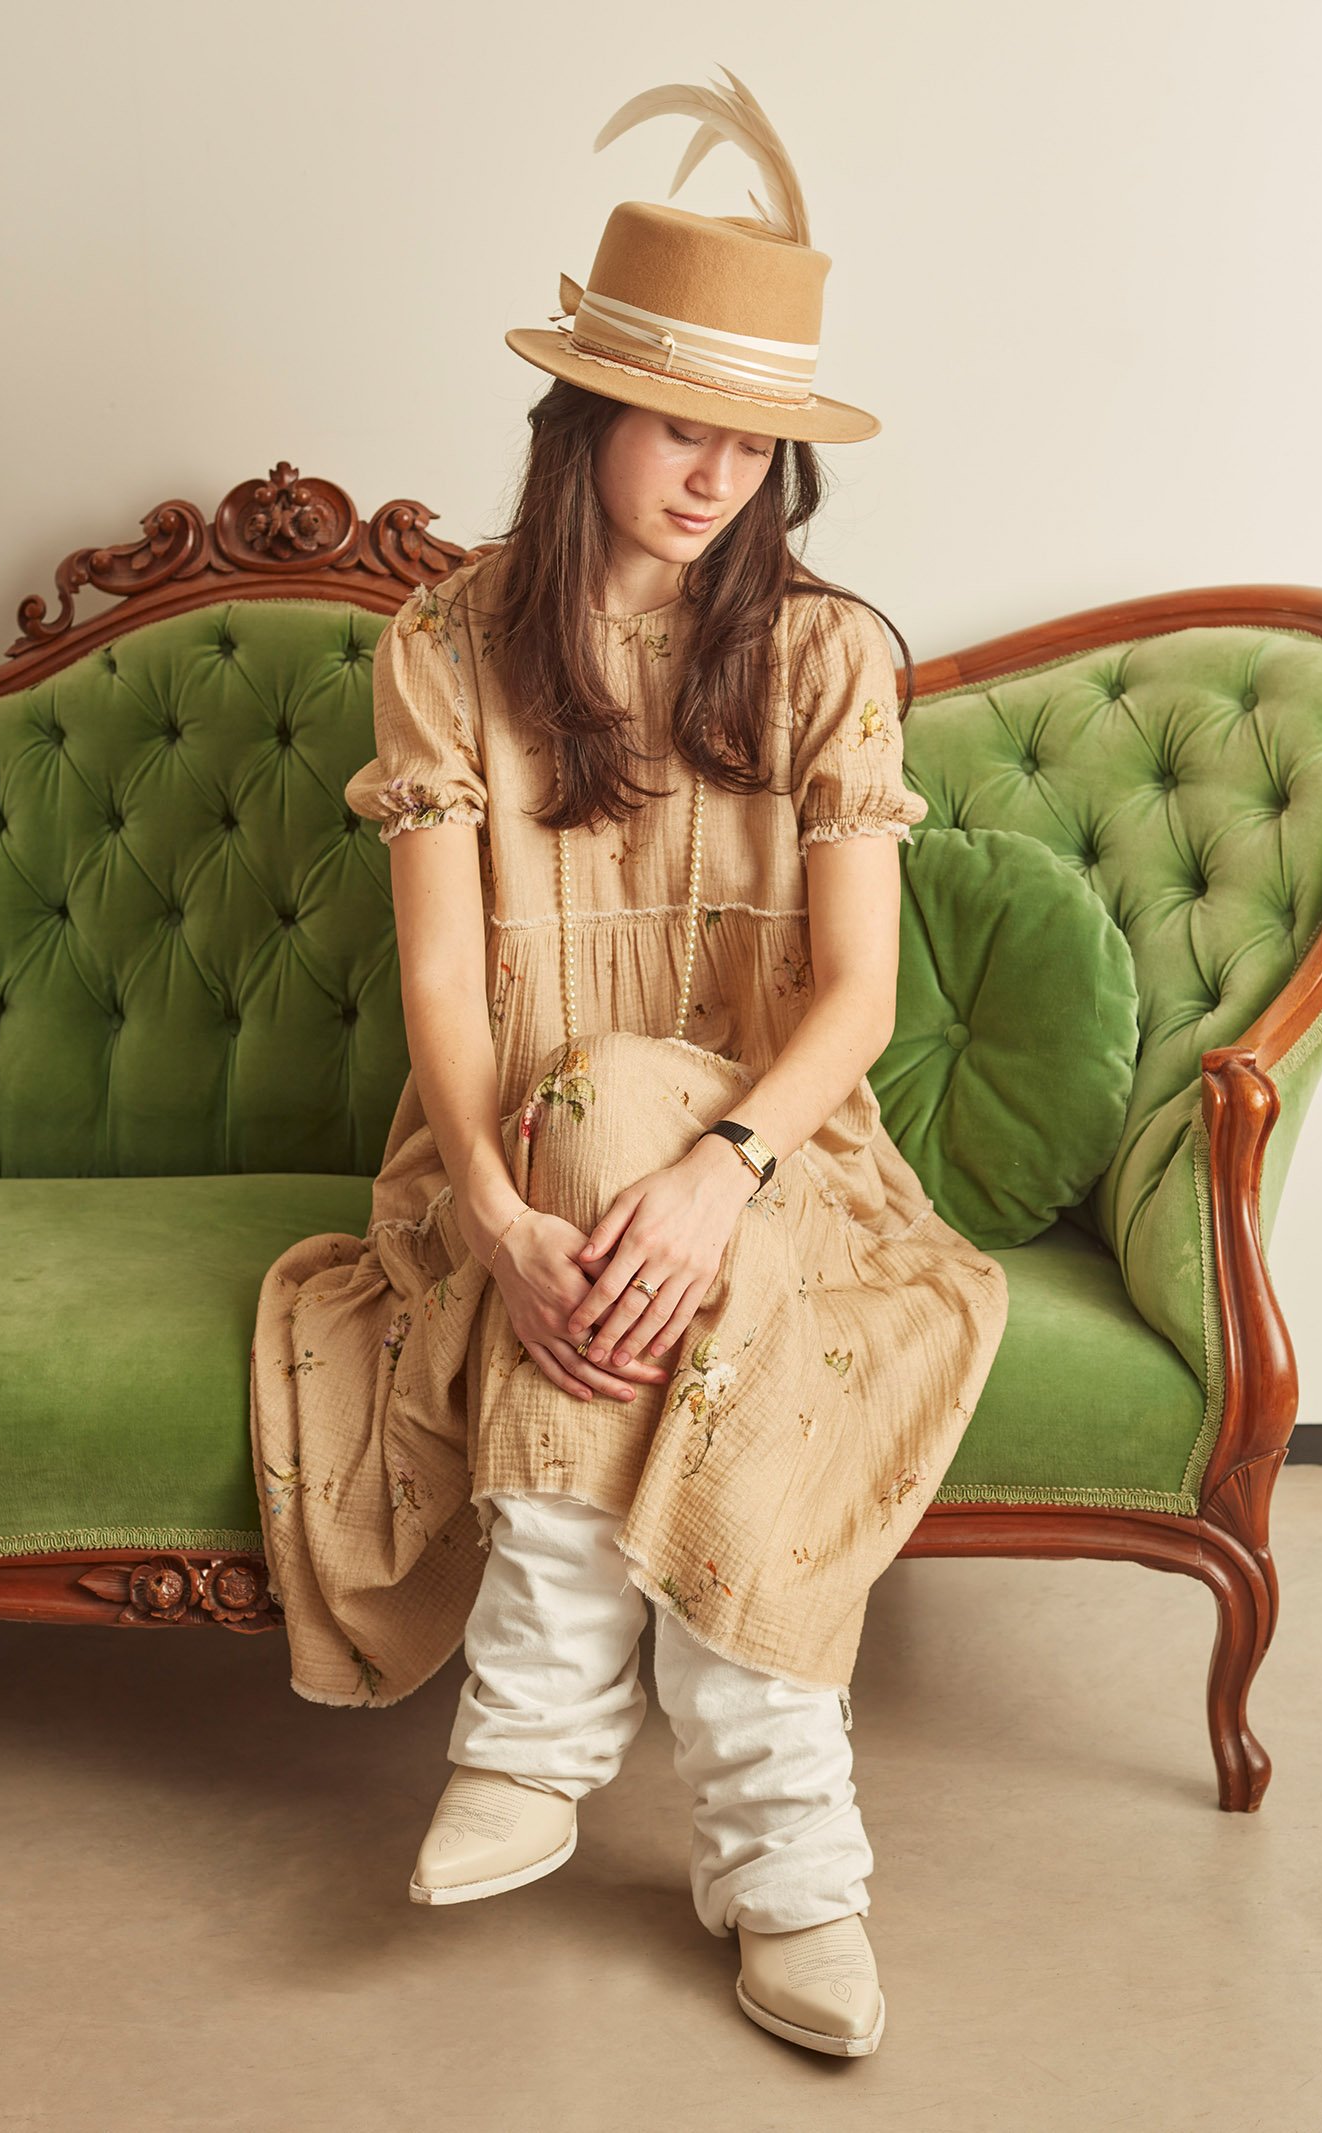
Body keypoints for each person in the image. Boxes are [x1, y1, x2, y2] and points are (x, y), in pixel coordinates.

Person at [248, 65, 1008, 2059]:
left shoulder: (831, 655)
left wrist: (717, 1164)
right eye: (680, 428)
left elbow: (849, 997)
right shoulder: (443, 640)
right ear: (583, 416)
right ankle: (790, 1864)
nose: (714, 476)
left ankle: (539, 1718)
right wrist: (495, 1208)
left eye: (753, 446)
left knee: (665, 1163)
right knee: (593, 1110)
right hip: (518, 1148)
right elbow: (449, 988)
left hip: (778, 1156)